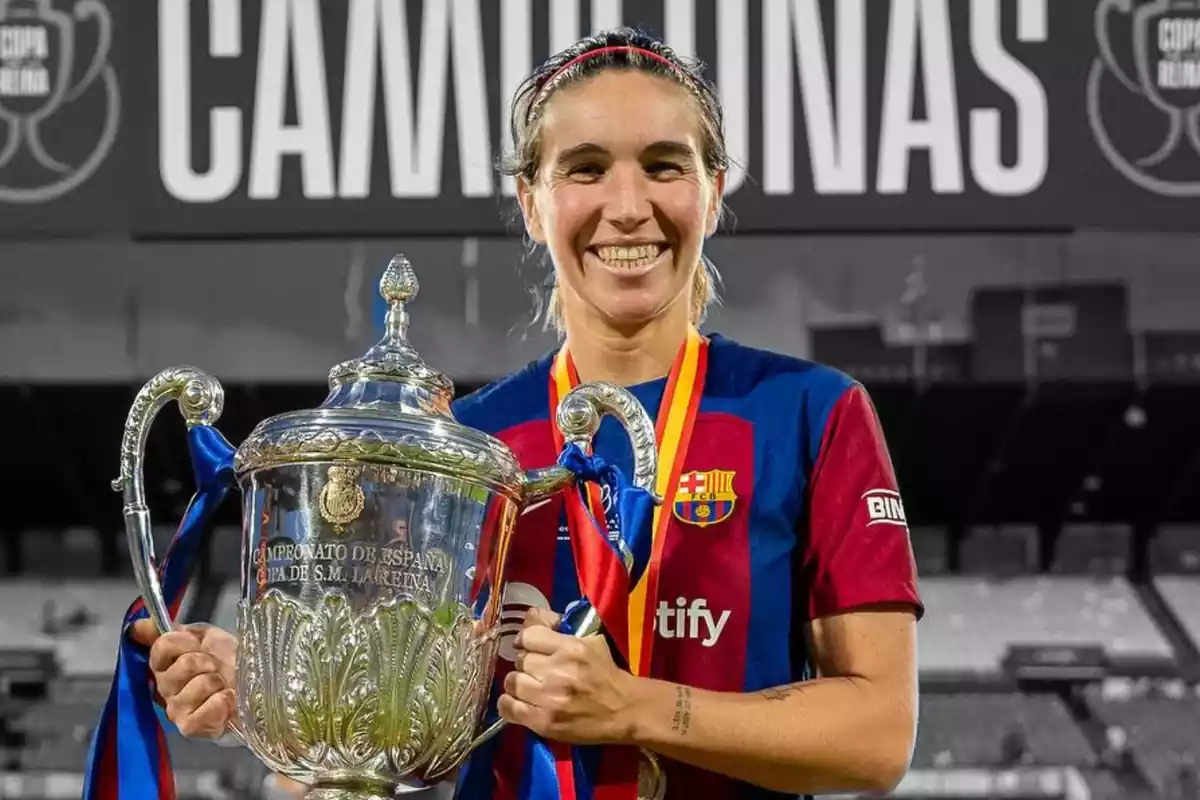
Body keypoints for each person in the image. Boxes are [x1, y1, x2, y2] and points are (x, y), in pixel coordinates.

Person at [130, 28, 923, 800]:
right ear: (532, 202)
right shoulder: (458, 448)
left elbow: (878, 738)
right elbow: (405, 741)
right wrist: (273, 692)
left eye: (663, 165)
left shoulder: (812, 413)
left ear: (711, 193)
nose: (627, 205)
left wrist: (635, 708)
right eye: (585, 169)